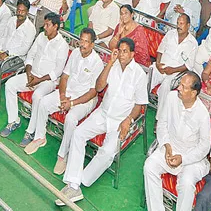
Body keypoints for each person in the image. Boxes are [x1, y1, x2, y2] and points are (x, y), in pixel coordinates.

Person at [57, 38, 148, 205]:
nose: (121, 54)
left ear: (132, 54)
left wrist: (129, 119)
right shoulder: (112, 67)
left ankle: (80, 181)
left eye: (125, 51)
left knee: (106, 153)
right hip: (103, 113)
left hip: (120, 120)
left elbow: (140, 104)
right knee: (78, 134)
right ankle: (73, 184)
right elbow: (99, 87)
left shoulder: (139, 75)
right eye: (119, 50)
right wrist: (109, 64)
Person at [23, 28, 102, 172]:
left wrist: (71, 103)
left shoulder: (97, 63)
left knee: (71, 118)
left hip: (85, 100)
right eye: (81, 40)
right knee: (43, 103)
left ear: (92, 45)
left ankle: (62, 155)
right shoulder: (76, 54)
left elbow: (92, 92)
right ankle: (40, 137)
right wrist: (62, 96)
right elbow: (64, 76)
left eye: (86, 42)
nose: (82, 44)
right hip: (68, 92)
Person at [144, 72, 211, 211]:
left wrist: (184, 159)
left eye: (183, 87)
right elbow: (162, 124)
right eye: (180, 84)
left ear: (193, 93)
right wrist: (167, 146)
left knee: (186, 184)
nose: (179, 88)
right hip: (169, 148)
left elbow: (204, 147)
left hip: (191, 158)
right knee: (149, 166)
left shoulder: (202, 114)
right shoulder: (171, 98)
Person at [0, 13, 69, 139]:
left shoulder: (62, 45)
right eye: (45, 24)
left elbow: (58, 71)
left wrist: (38, 80)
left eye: (48, 25)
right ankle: (13, 120)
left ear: (55, 26)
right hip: (32, 75)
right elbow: (30, 55)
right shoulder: (41, 37)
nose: (44, 27)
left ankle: (30, 131)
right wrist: (29, 73)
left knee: (37, 96)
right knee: (10, 84)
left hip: (48, 81)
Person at [152, 14, 198, 121]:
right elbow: (160, 50)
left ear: (188, 25)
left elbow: (188, 66)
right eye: (177, 23)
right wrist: (158, 63)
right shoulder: (170, 34)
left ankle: (159, 119)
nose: (178, 26)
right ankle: (139, 106)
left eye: (181, 23)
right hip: (162, 66)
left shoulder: (193, 43)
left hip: (176, 73)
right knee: (148, 76)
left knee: (165, 86)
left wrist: (173, 70)